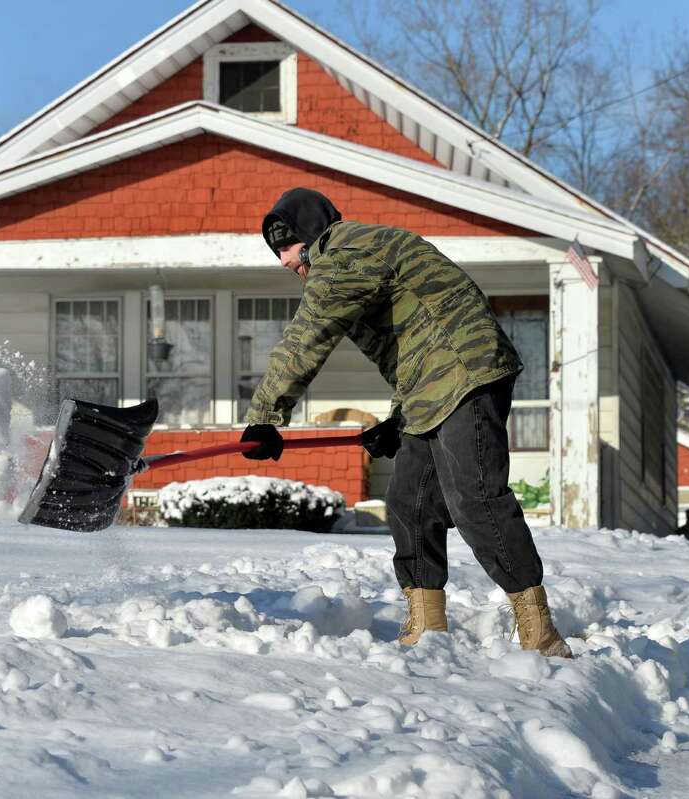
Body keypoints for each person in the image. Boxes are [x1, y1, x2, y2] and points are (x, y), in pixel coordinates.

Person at [240, 187, 572, 658]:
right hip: (429, 387)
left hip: (467, 375)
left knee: (473, 497)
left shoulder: (344, 253)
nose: (283, 260)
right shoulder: (354, 258)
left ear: (312, 235)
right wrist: (398, 419)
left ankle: (539, 632)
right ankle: (427, 626)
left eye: (287, 245)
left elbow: (306, 338)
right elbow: (415, 342)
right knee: (409, 503)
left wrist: (265, 417)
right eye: (276, 251)